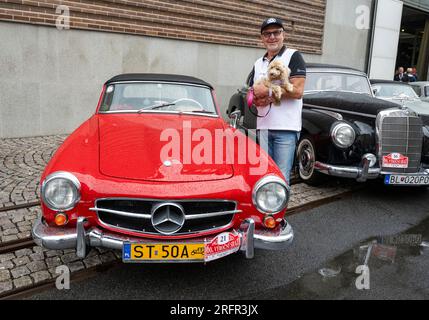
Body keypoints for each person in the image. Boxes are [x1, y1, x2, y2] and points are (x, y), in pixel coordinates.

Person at [247, 17, 306, 184]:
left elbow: (298, 91)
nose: (272, 37)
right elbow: (251, 90)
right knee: (265, 176)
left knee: (280, 178)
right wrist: (254, 99)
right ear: (262, 38)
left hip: (285, 129)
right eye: (267, 34)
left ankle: (279, 211)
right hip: (263, 128)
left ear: (283, 35)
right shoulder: (258, 63)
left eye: (276, 32)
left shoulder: (293, 56)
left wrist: (268, 92)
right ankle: (267, 211)